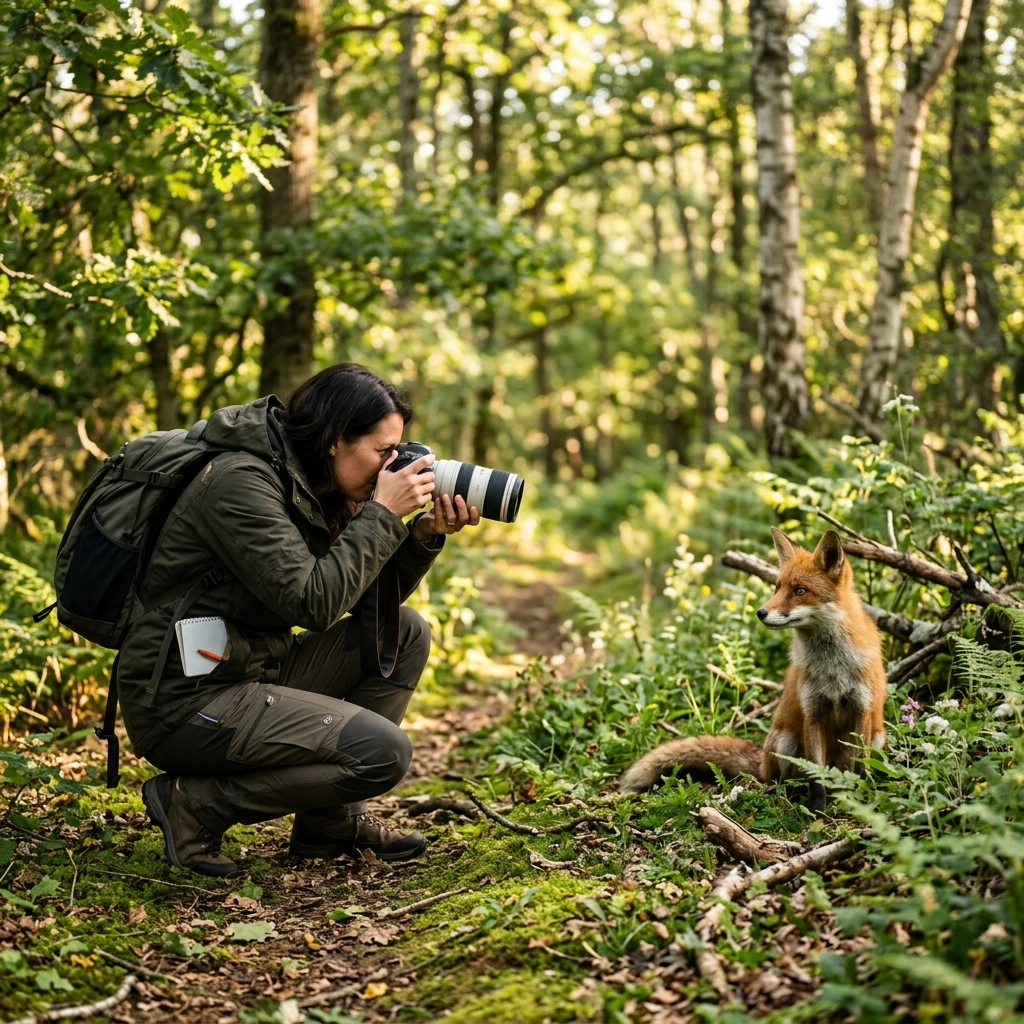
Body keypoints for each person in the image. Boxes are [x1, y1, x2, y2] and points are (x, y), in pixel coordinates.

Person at [115, 364, 480, 877]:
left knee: (404, 629)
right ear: (334, 440)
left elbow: (365, 602)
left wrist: (419, 537)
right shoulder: (240, 483)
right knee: (382, 754)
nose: (392, 465)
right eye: (382, 451)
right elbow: (312, 601)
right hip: (185, 699)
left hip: (251, 671)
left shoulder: (316, 484)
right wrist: (380, 512)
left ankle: (328, 825)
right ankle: (195, 803)